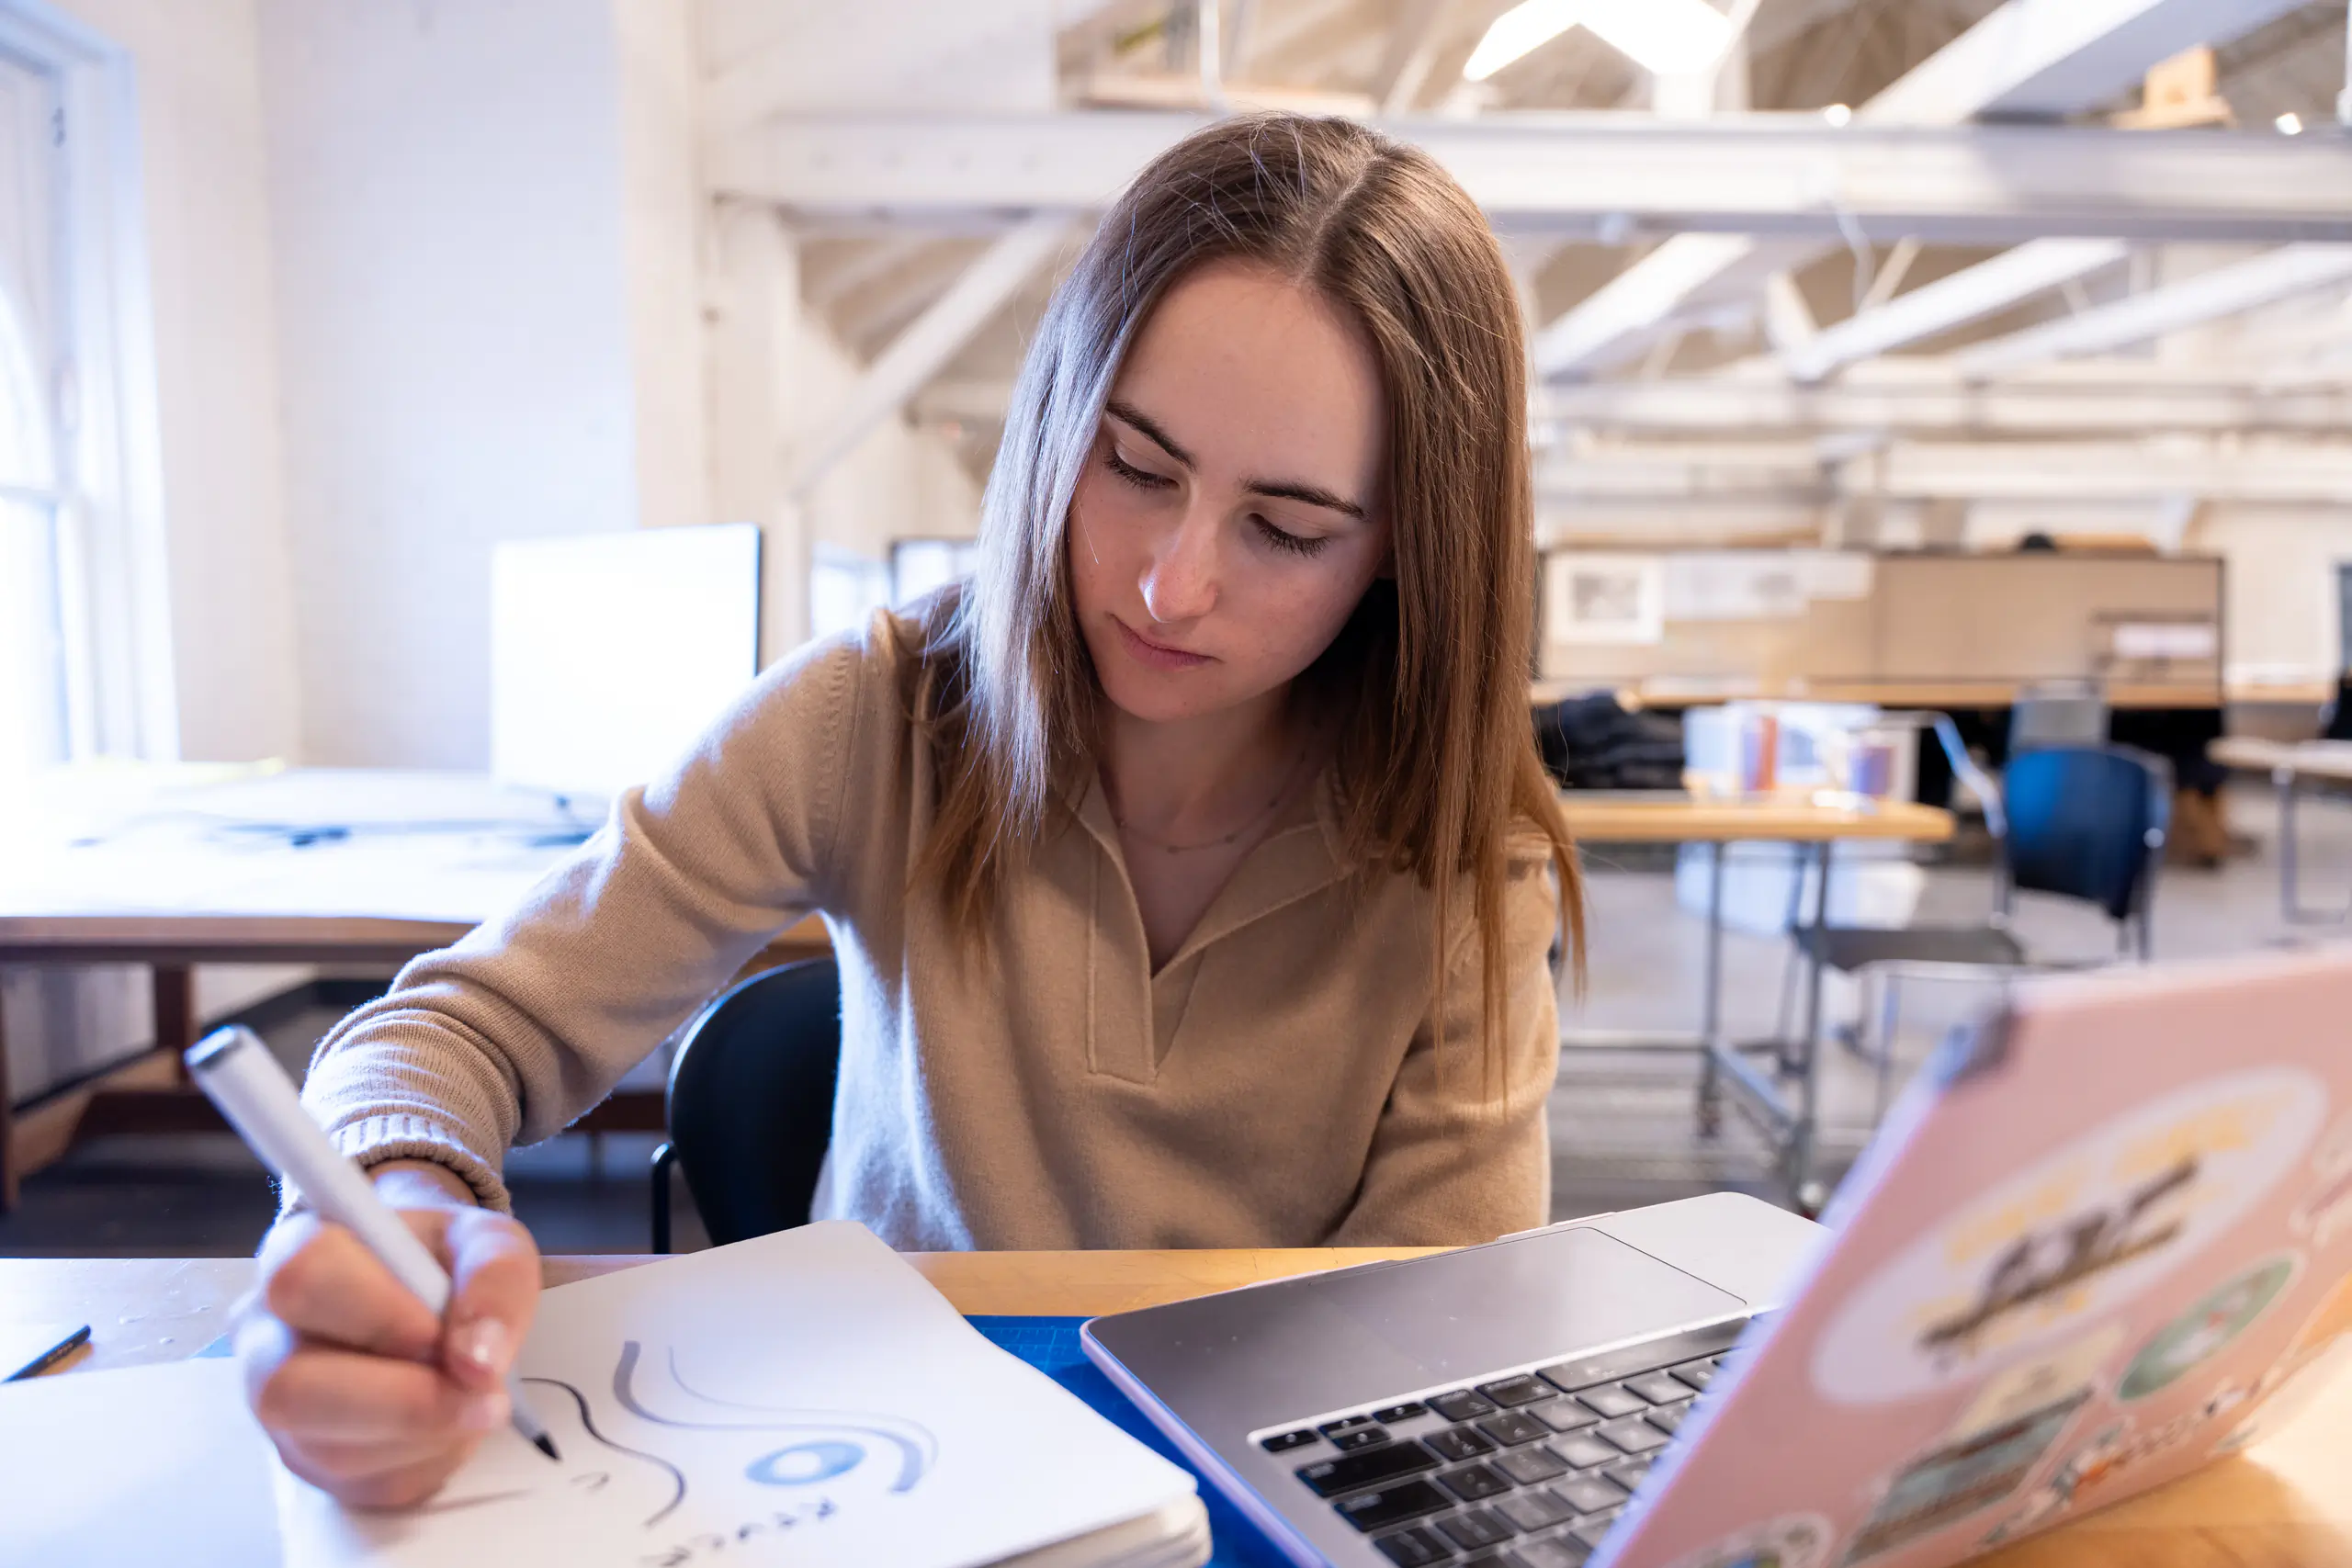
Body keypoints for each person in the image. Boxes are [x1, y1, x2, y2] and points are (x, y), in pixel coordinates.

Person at [238, 113, 1586, 1507]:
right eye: (1134, 465)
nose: (1171, 584)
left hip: (1246, 1497)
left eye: (1287, 529)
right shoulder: (878, 713)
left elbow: (1450, 1351)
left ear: (1403, 554)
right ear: (1062, 415)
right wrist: (399, 1197)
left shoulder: (1464, 856)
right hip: (869, 1485)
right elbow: (448, 1028)